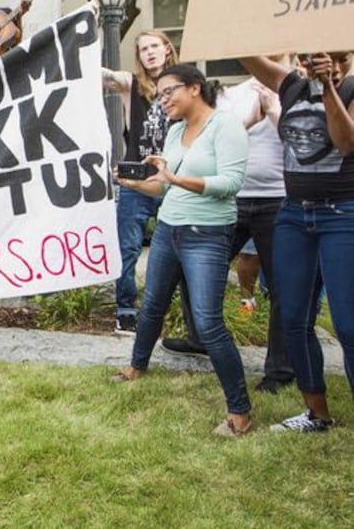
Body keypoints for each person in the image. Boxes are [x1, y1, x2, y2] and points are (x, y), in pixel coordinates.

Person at [111, 65, 251, 437]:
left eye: (169, 91)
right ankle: (136, 367)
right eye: (159, 95)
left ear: (194, 88)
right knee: (152, 304)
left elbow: (230, 183)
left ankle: (239, 410)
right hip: (168, 230)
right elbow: (164, 188)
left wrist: (173, 177)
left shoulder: (225, 126)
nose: (163, 100)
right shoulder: (175, 130)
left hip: (206, 235)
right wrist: (132, 184)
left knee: (207, 322)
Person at [161, 54, 295, 394]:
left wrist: (275, 111)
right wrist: (247, 119)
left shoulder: (298, 90)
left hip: (278, 199)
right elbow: (219, 139)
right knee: (189, 266)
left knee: (280, 285)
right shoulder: (230, 94)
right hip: (231, 199)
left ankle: (279, 370)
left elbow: (305, 145)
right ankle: (199, 337)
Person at [240, 51, 354, 432]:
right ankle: (317, 414)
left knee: (348, 325)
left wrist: (328, 89)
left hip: (342, 214)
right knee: (293, 318)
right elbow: (245, 52)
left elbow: (346, 143)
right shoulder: (290, 85)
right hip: (293, 214)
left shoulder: (351, 87)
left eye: (334, 55)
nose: (318, 60)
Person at [101, 30, 178, 335]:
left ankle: (173, 310)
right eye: (144, 49)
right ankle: (126, 310)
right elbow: (101, 75)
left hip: (174, 179)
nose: (150, 52)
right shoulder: (132, 84)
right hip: (137, 181)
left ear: (167, 49)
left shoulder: (185, 85)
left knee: (178, 247)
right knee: (128, 248)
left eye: (154, 46)